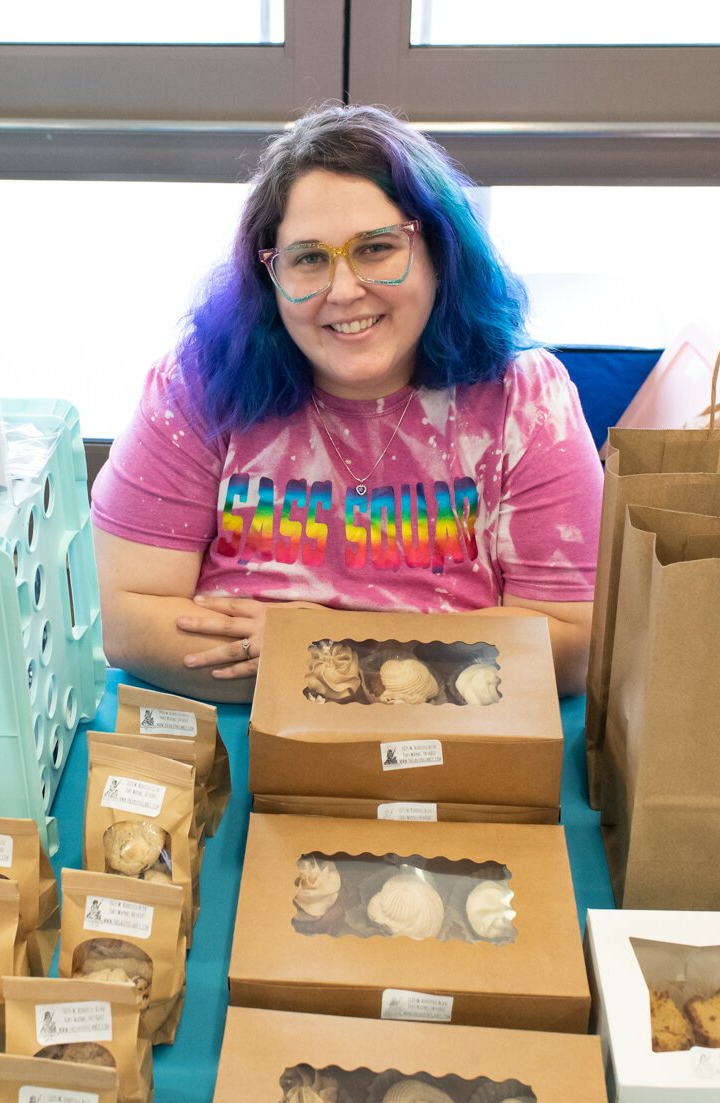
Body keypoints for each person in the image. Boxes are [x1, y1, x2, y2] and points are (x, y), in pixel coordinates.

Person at [91, 104, 603, 702]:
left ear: (439, 252)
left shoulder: (525, 396)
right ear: (270, 278)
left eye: (376, 248)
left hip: (453, 750)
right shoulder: (199, 387)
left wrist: (317, 645)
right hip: (234, 744)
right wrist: (428, 660)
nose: (343, 290)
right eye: (308, 258)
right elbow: (129, 625)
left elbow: (573, 648)